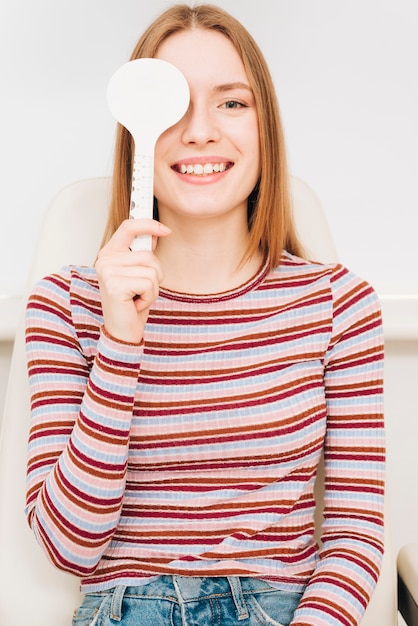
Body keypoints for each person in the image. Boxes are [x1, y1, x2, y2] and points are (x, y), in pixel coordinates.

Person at [24, 4, 385, 625]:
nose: (199, 132)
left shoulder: (340, 304)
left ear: (264, 126)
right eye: (172, 105)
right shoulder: (64, 306)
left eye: (231, 103)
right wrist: (120, 340)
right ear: (134, 132)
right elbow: (67, 545)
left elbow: (355, 537)